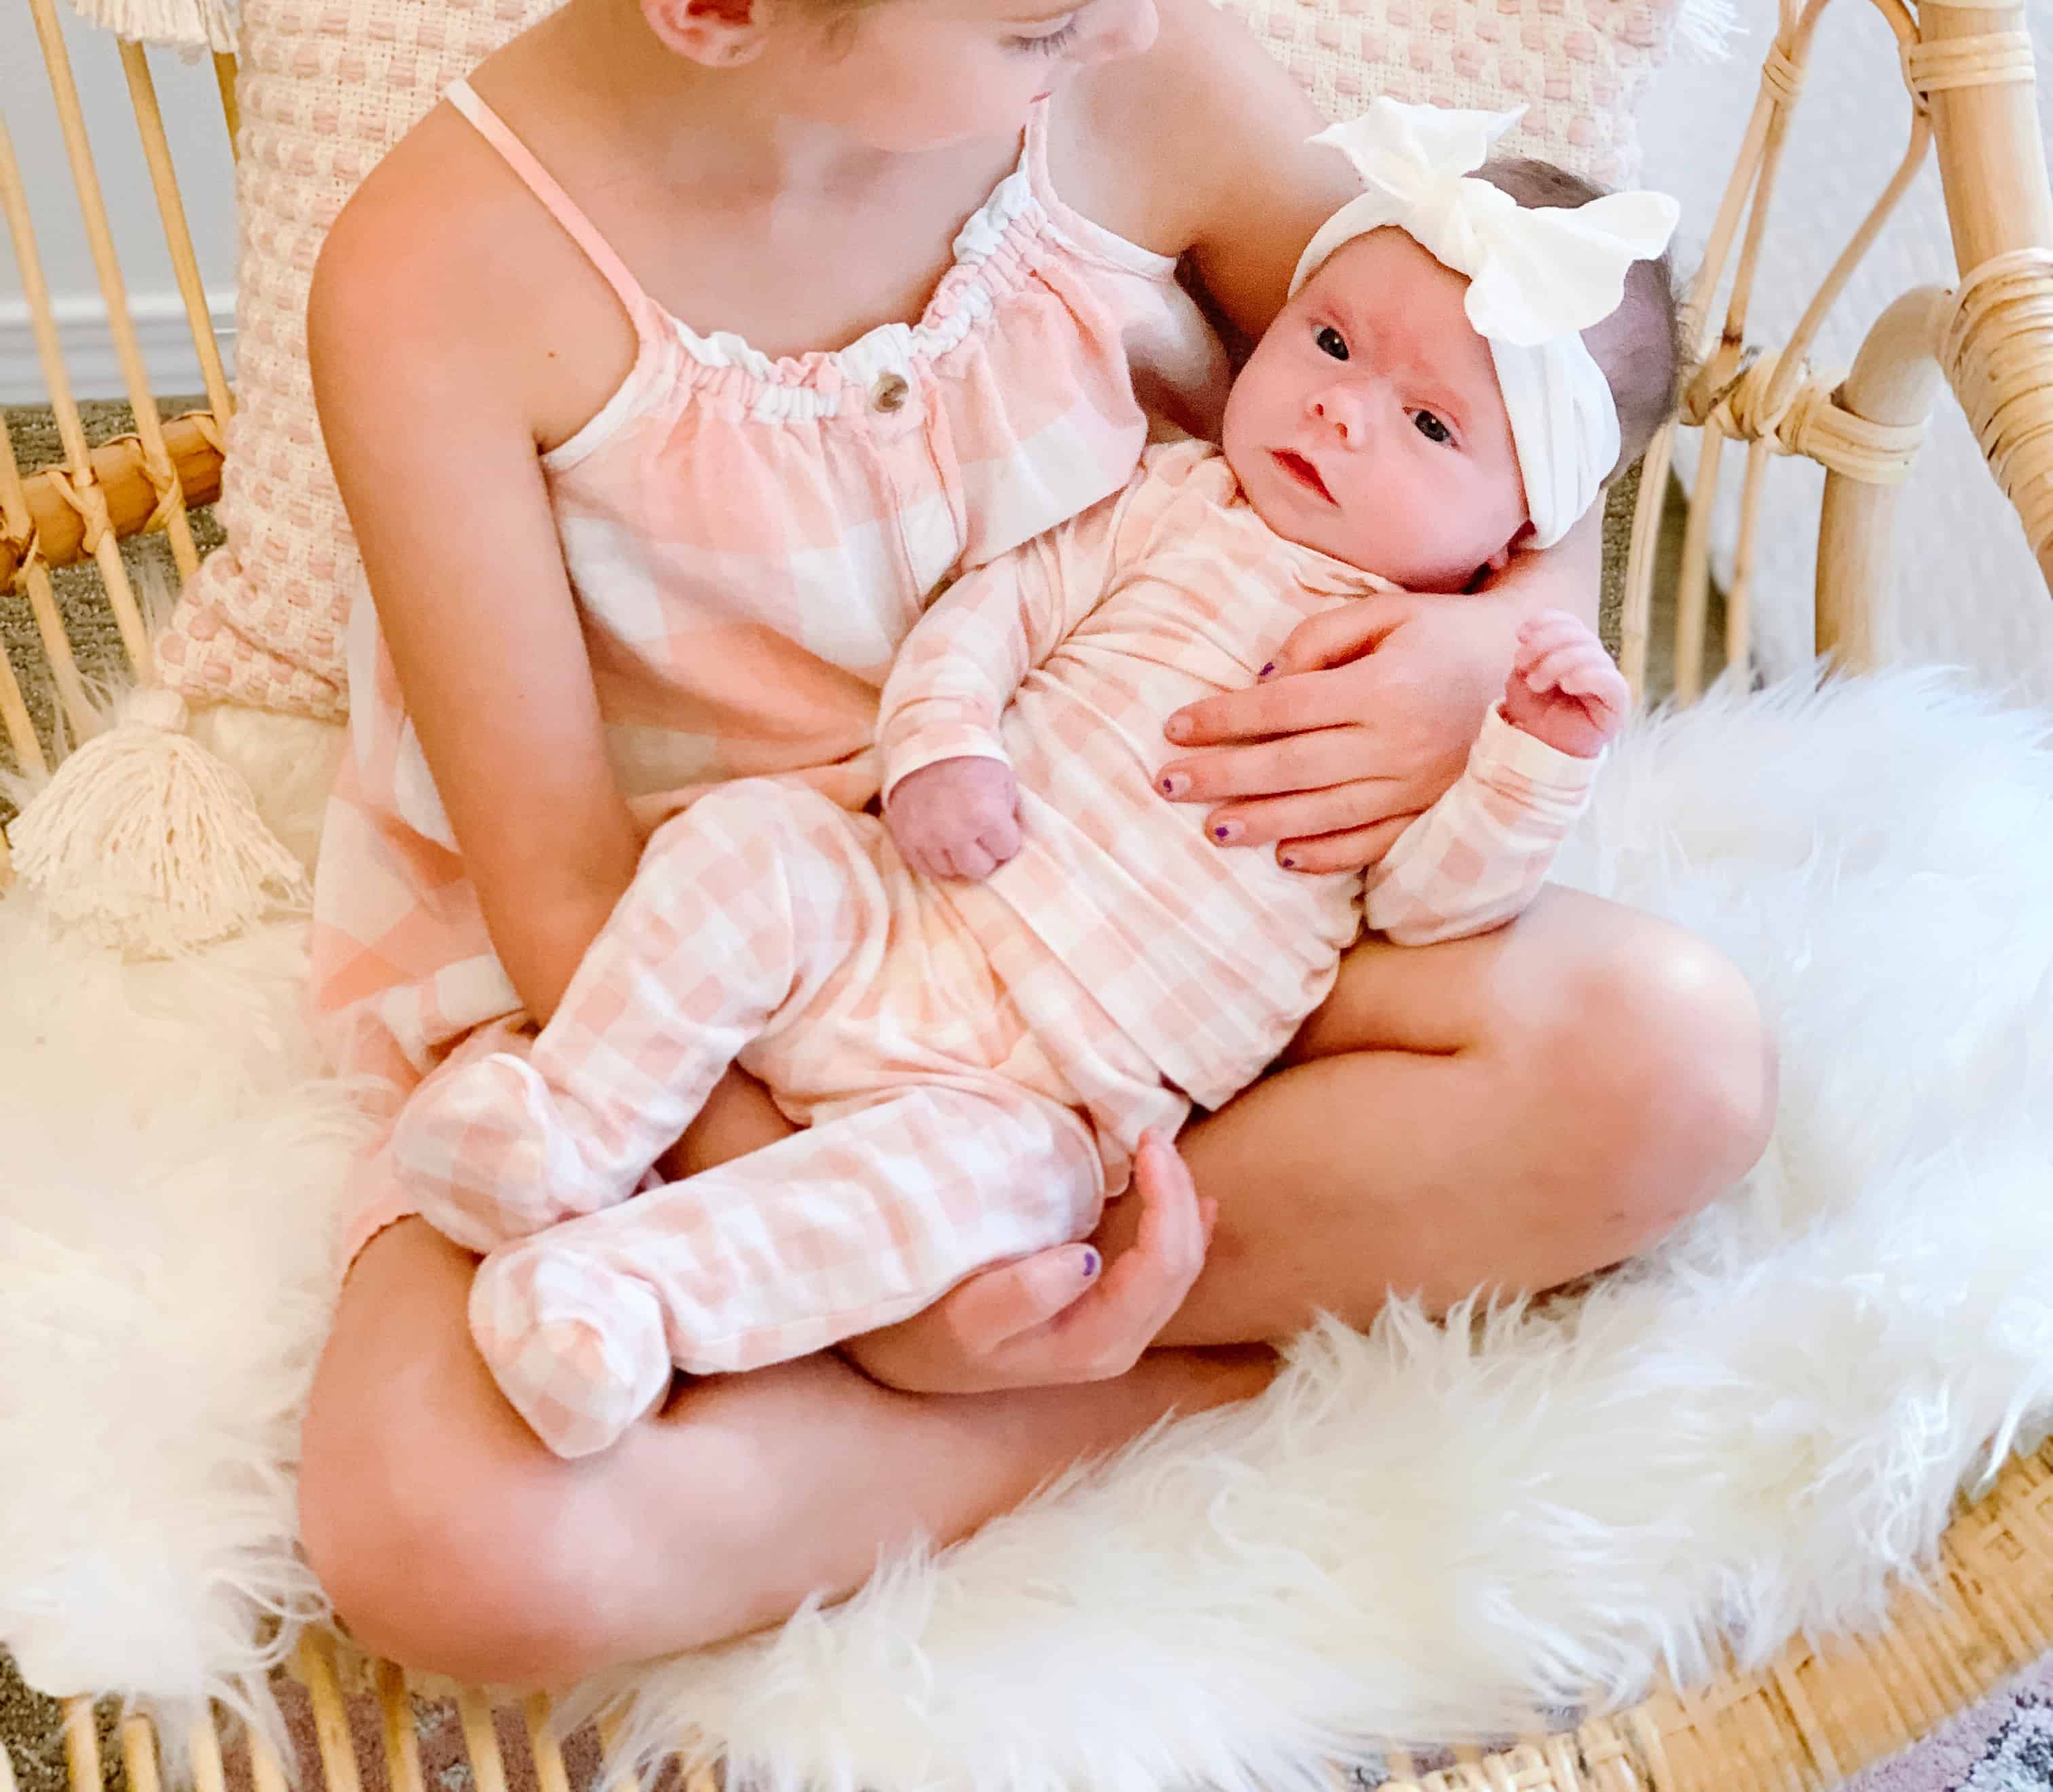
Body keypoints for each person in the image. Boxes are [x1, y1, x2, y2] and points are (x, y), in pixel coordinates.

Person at [296, 0, 1775, 1689]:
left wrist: (1479, 623)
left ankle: (1065, 1356)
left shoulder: (1129, 83)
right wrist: (875, 1254)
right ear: (725, 10)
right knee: (447, 1539)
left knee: (1663, 1059)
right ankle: (1079, 1383)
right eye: (1054, 9)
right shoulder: (446, 284)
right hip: (761, 1003)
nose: (1136, 35)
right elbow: (556, 896)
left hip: (1175, 922)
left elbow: (1484, 360)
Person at [390, 104, 1682, 1461]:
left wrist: (1534, 760)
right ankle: (572, 1127)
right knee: (755, 849)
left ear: (1527, 523)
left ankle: (630, 1296)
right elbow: (993, 616)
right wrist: (943, 745)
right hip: (913, 904)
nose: (1342, 412)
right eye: (1330, 341)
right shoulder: (1171, 505)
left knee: (980, 1204)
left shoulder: (1462, 699)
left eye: (1428, 424)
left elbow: (1427, 905)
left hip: (1058, 1094)